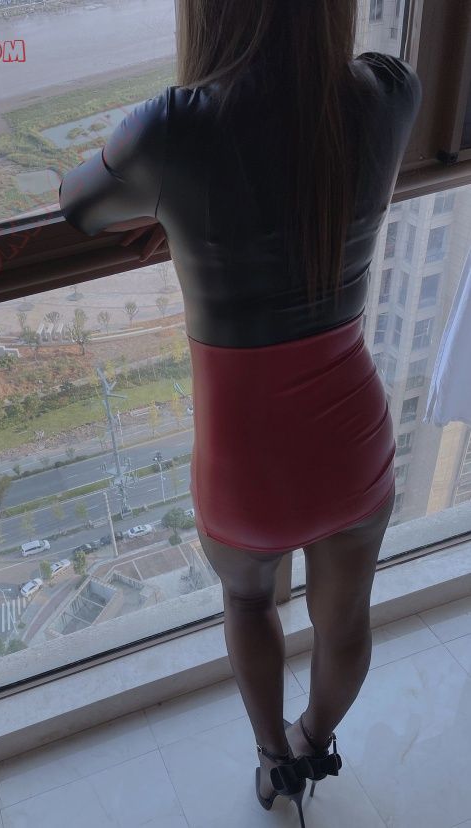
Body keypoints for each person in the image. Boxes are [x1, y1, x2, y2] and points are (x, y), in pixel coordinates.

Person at [58, 2, 422, 825]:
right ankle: (313, 741)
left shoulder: (172, 130)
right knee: (346, 624)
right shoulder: (390, 92)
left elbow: (77, 204)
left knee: (250, 604)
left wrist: (166, 198)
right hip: (353, 438)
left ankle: (274, 765)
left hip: (245, 458)